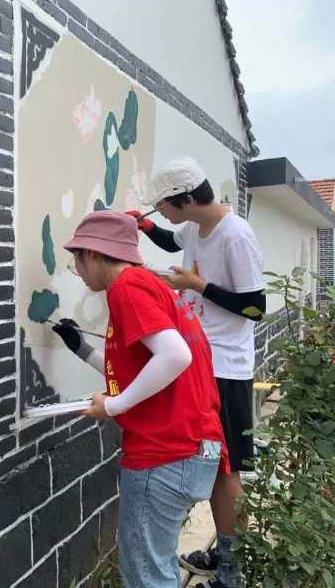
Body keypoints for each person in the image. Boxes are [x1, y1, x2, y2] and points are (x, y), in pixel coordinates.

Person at [53, 210, 228, 588]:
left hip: (163, 453)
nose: (78, 270)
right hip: (196, 449)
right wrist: (82, 349)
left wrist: (113, 406)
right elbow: (142, 369)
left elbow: (175, 356)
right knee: (157, 565)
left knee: (147, 576)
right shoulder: (150, 285)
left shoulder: (127, 288)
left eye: (78, 259)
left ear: (97, 254)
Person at [127, 157, 265, 588]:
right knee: (210, 462)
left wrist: (196, 286)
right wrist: (143, 226)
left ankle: (232, 567)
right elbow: (173, 242)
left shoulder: (235, 235)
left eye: (163, 207)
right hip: (199, 359)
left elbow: (255, 306)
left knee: (226, 469)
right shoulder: (195, 226)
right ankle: (222, 551)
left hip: (226, 365)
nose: (161, 214)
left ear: (186, 199)